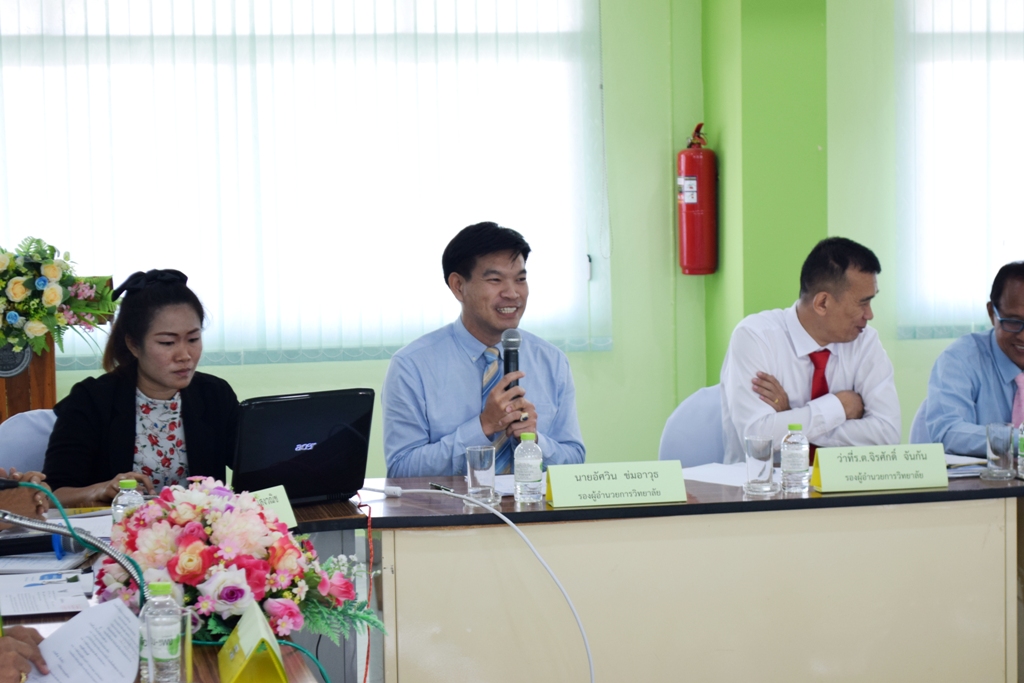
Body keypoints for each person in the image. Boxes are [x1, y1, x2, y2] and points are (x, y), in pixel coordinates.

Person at [383, 221, 585, 477]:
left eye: (520, 279)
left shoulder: (552, 361)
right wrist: (483, 426)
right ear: (458, 286)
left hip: (531, 502)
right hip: (450, 504)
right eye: (495, 280)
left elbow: (575, 461)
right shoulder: (412, 366)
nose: (512, 293)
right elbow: (401, 469)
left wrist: (534, 442)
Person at [43, 270, 238, 507]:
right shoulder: (91, 400)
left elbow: (253, 466)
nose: (184, 355)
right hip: (113, 529)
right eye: (167, 342)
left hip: (198, 529)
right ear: (134, 344)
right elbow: (51, 494)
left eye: (193, 339)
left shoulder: (215, 394)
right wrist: (100, 490)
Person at [720, 237, 901, 464]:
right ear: (822, 303)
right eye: (862, 303)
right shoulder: (755, 337)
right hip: (764, 482)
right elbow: (758, 441)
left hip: (842, 483)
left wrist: (791, 416)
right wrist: (839, 407)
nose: (870, 314)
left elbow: (887, 434)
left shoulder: (865, 341)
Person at [923, 262, 1024, 455]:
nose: (1023, 336)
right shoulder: (960, 359)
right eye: (1013, 321)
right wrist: (1018, 441)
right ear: (991, 313)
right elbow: (948, 431)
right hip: (981, 475)